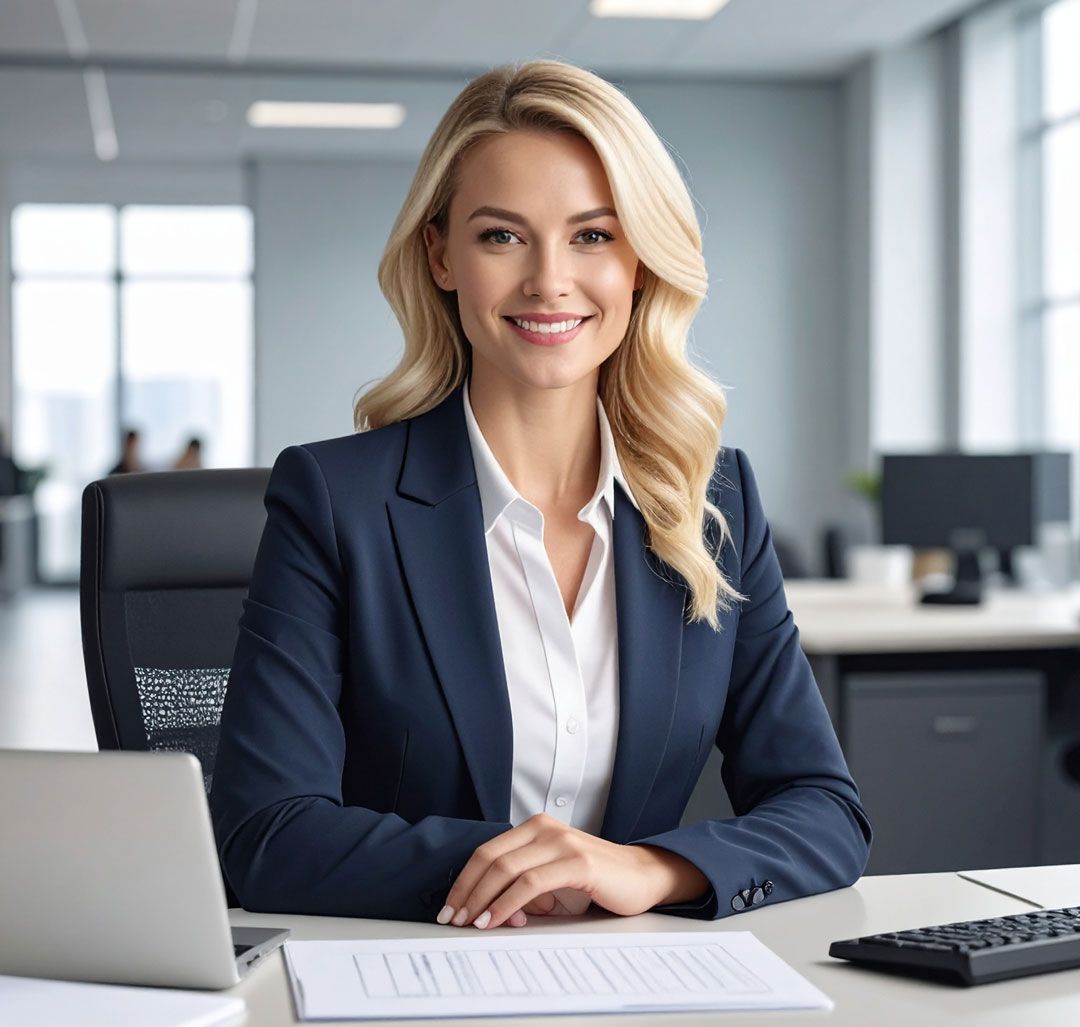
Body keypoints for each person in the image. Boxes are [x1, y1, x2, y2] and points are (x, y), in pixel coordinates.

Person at [210, 60, 872, 931]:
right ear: (442, 255)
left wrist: (651, 869)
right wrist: (527, 872)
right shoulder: (337, 502)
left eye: (593, 236)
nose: (549, 280)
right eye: (502, 236)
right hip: (407, 983)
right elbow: (265, 834)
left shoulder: (710, 506)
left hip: (633, 992)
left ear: (640, 262)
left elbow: (824, 810)